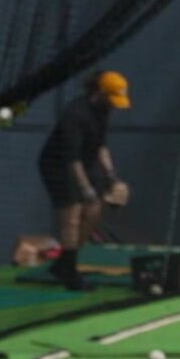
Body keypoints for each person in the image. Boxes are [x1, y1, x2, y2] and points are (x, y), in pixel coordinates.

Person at [37, 70, 130, 290]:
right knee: (72, 214)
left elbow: (101, 147)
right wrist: (86, 190)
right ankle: (69, 272)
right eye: (112, 98)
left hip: (84, 163)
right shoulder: (75, 114)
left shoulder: (104, 111)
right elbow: (72, 159)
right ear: (99, 92)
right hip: (58, 165)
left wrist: (112, 177)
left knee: (94, 211)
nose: (115, 105)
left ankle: (64, 263)